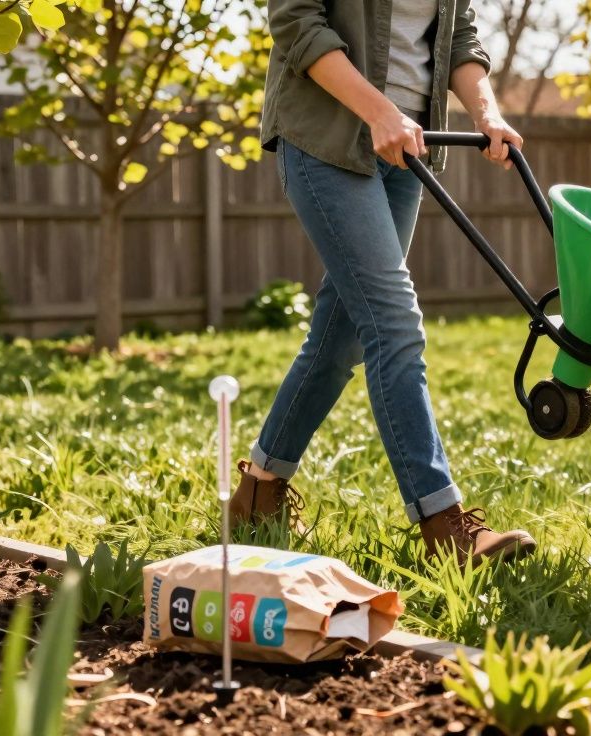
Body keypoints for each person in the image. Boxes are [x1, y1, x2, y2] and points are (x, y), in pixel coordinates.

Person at [231, 0, 536, 565]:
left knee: (338, 339)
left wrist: (487, 114)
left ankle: (258, 490)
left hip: (407, 148)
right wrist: (378, 111)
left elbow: (458, 36)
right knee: (394, 324)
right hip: (325, 136)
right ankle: (444, 524)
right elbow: (297, 22)